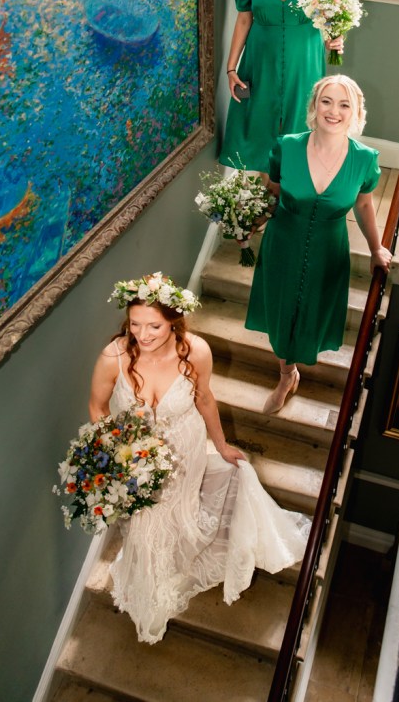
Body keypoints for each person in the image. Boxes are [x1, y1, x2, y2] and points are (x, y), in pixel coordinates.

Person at [88, 273, 310, 644]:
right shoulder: (114, 356)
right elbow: (97, 408)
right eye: (135, 324)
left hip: (186, 447)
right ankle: (150, 585)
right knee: (146, 522)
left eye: (154, 326)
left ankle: (177, 552)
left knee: (180, 509)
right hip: (137, 460)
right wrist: (117, 453)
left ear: (174, 320)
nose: (142, 335)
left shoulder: (196, 351)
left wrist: (220, 445)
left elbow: (204, 399)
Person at [245, 76, 393, 414]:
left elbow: (365, 204)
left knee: (309, 315)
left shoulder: (364, 159)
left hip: (329, 251)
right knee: (282, 318)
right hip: (284, 244)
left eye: (344, 105)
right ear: (314, 105)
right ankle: (286, 375)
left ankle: (292, 368)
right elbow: (273, 194)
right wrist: (249, 227)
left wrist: (375, 248)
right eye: (327, 101)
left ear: (355, 112)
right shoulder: (287, 147)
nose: (334, 111)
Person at [220, 0, 344, 174]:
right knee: (259, 121)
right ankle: (262, 196)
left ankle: (292, 194)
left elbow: (330, 17)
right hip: (261, 57)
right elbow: (244, 18)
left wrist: (335, 39)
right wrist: (230, 68)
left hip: (305, 57)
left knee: (300, 122)